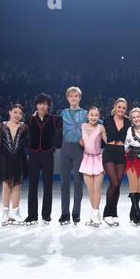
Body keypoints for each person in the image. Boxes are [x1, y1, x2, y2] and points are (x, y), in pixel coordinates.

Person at [25, 93, 62, 225]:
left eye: (45, 103)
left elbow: (61, 131)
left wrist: (54, 144)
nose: (42, 106)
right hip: (34, 154)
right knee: (32, 186)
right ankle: (32, 215)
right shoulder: (30, 120)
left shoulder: (54, 119)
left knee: (48, 186)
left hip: (47, 154)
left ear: (48, 106)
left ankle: (46, 215)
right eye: (40, 103)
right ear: (36, 105)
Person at [0, 104, 28, 226]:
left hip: (19, 158)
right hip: (5, 158)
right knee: (6, 184)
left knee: (17, 185)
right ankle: (5, 212)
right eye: (15, 112)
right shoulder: (1, 125)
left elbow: (29, 141)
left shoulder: (24, 126)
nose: (17, 115)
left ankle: (15, 211)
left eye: (20, 113)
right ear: (9, 112)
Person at [59, 86, 86, 226]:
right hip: (65, 149)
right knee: (64, 183)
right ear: (67, 98)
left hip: (79, 150)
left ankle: (76, 213)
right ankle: (64, 213)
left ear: (80, 98)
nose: (74, 98)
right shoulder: (62, 113)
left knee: (78, 183)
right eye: (71, 96)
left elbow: (100, 125)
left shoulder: (86, 114)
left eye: (76, 96)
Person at [102, 98, 131, 227]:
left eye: (124, 108)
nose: (121, 110)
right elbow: (91, 122)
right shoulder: (106, 121)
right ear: (115, 106)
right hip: (109, 152)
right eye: (119, 107)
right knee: (113, 182)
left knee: (117, 184)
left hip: (121, 152)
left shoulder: (128, 122)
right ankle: (107, 213)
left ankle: (114, 213)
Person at [79, 107, 107, 227]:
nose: (94, 117)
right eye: (91, 115)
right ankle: (95, 213)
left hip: (98, 159)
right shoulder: (82, 126)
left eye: (96, 115)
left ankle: (95, 214)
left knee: (97, 189)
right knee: (90, 190)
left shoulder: (101, 128)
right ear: (87, 115)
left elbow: (107, 141)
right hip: (86, 159)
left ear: (99, 116)